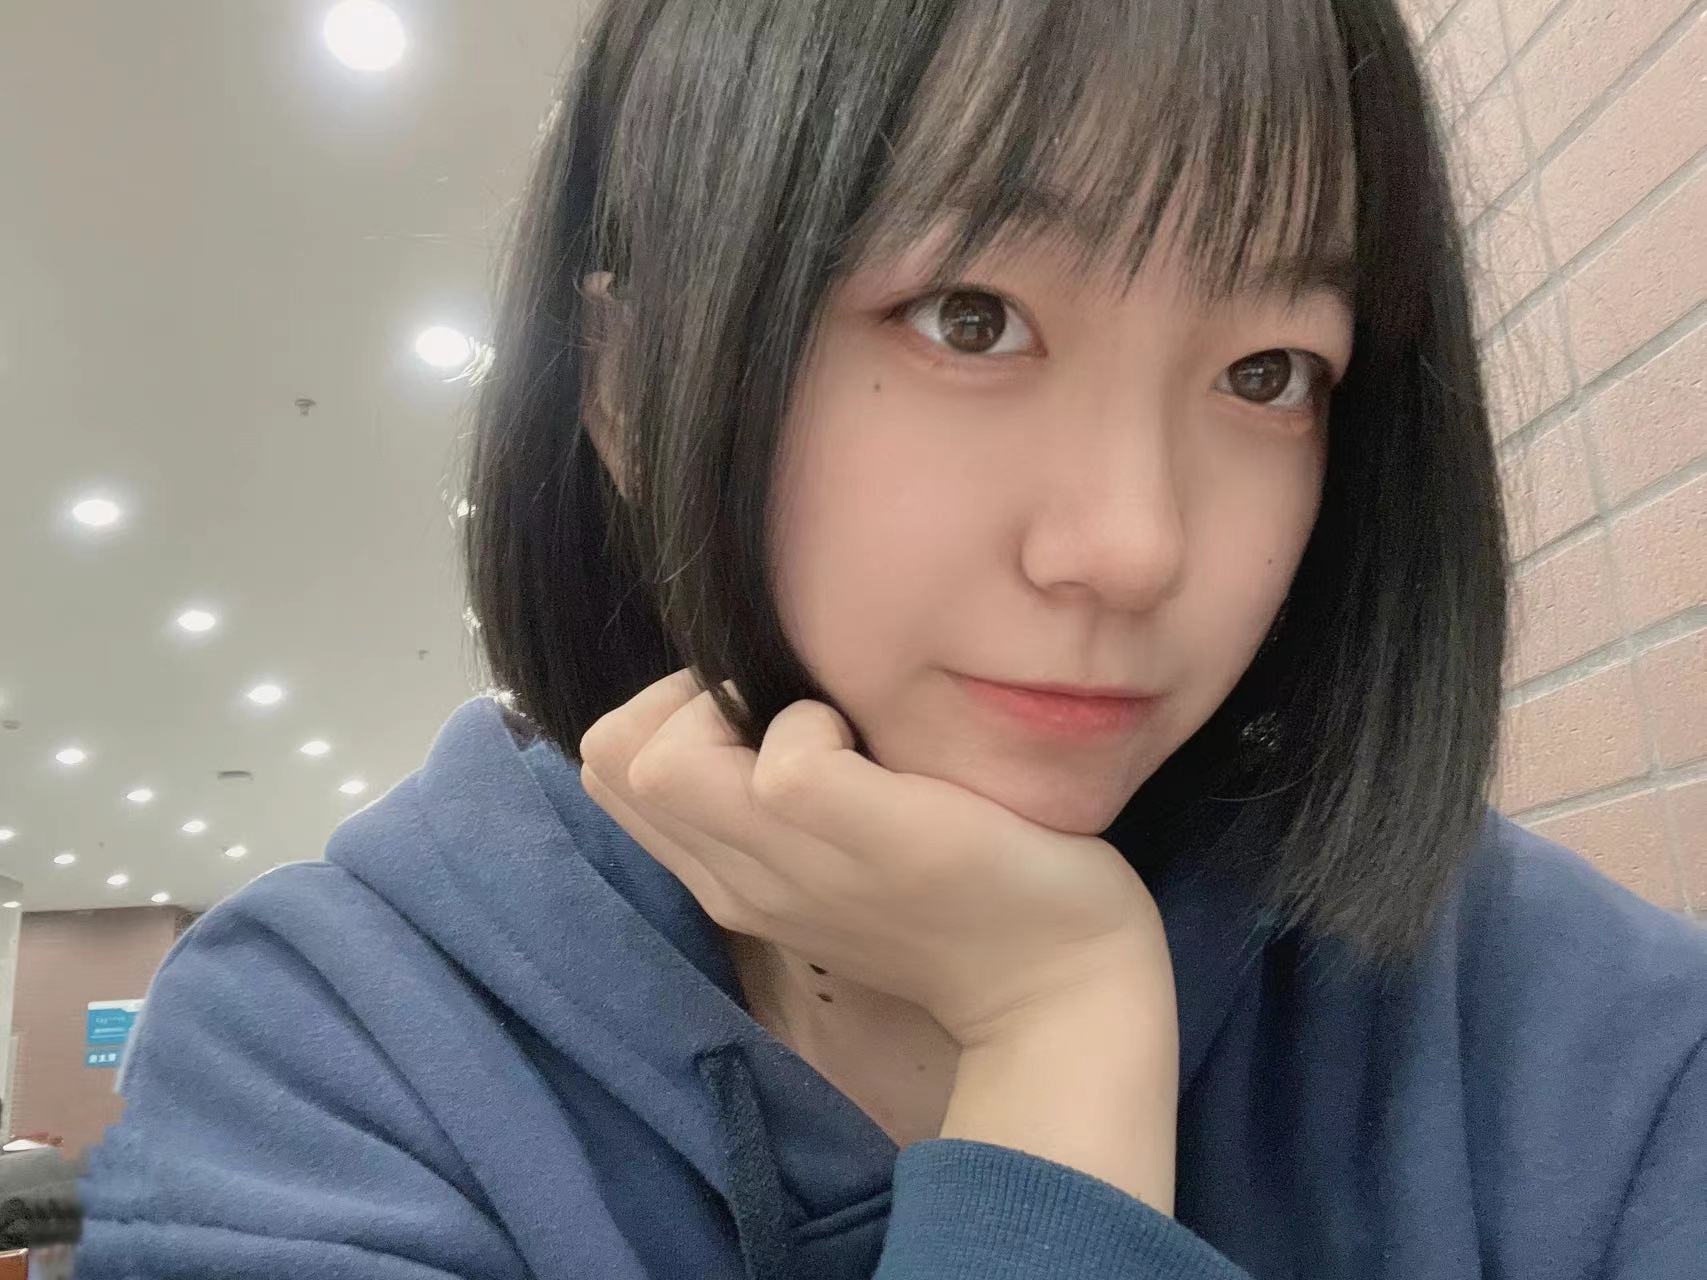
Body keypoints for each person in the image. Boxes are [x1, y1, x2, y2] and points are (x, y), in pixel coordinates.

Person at [76, 1, 1707, 1276]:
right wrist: (1057, 1039)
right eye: (970, 319)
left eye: (1268, 372)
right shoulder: (324, 1065)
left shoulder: (1574, 1040)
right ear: (629, 390)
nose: (1134, 545)